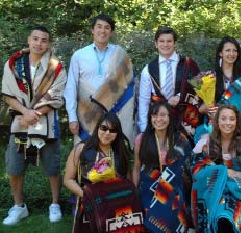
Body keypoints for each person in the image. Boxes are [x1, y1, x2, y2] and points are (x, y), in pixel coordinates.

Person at [1, 26, 66, 225]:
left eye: (44, 40)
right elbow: (7, 94)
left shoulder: (56, 67)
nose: (39, 43)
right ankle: (19, 207)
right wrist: (25, 112)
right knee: (14, 167)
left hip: (45, 125)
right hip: (20, 124)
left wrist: (34, 114)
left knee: (52, 167)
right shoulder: (13, 64)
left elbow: (56, 96)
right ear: (29, 40)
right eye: (35, 39)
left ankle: (54, 204)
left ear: (49, 43)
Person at [64, 13, 136, 149]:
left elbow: (128, 86)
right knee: (84, 155)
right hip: (86, 114)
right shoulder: (79, 55)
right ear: (92, 30)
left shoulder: (120, 54)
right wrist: (72, 117)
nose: (102, 31)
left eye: (107, 28)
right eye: (99, 27)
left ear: (111, 31)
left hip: (114, 115)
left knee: (114, 156)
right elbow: (71, 88)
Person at [64, 112, 143, 232]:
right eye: (104, 128)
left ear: (117, 134)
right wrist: (88, 196)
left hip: (116, 203)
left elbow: (127, 182)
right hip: (88, 203)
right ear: (97, 128)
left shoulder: (121, 153)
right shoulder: (81, 149)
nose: (107, 133)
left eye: (112, 130)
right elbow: (68, 180)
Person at [192, 104, 241, 233]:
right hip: (213, 194)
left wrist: (222, 179)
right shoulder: (206, 143)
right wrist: (225, 172)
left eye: (232, 119)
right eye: (223, 118)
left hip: (240, 195)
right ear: (217, 121)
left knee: (227, 215)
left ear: (237, 121)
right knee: (220, 213)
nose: (228, 123)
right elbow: (197, 171)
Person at [133, 101, 193, 232]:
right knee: (152, 223)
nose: (158, 119)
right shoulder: (141, 139)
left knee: (174, 214)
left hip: (174, 189)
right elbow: (137, 167)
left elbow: (189, 166)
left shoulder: (179, 139)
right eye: (154, 116)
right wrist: (135, 191)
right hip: (149, 189)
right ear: (150, 118)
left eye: (163, 115)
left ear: (170, 117)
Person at [137, 26, 201, 144]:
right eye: (162, 41)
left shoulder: (188, 64)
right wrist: (144, 128)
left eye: (169, 41)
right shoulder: (149, 69)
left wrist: (180, 96)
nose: (165, 45)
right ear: (156, 43)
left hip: (185, 117)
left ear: (174, 43)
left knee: (184, 153)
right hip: (159, 120)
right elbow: (144, 100)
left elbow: (199, 88)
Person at [197, 36, 241, 140]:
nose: (231, 54)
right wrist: (209, 109)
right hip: (216, 127)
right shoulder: (210, 77)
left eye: (234, 51)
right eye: (227, 50)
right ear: (220, 53)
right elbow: (201, 108)